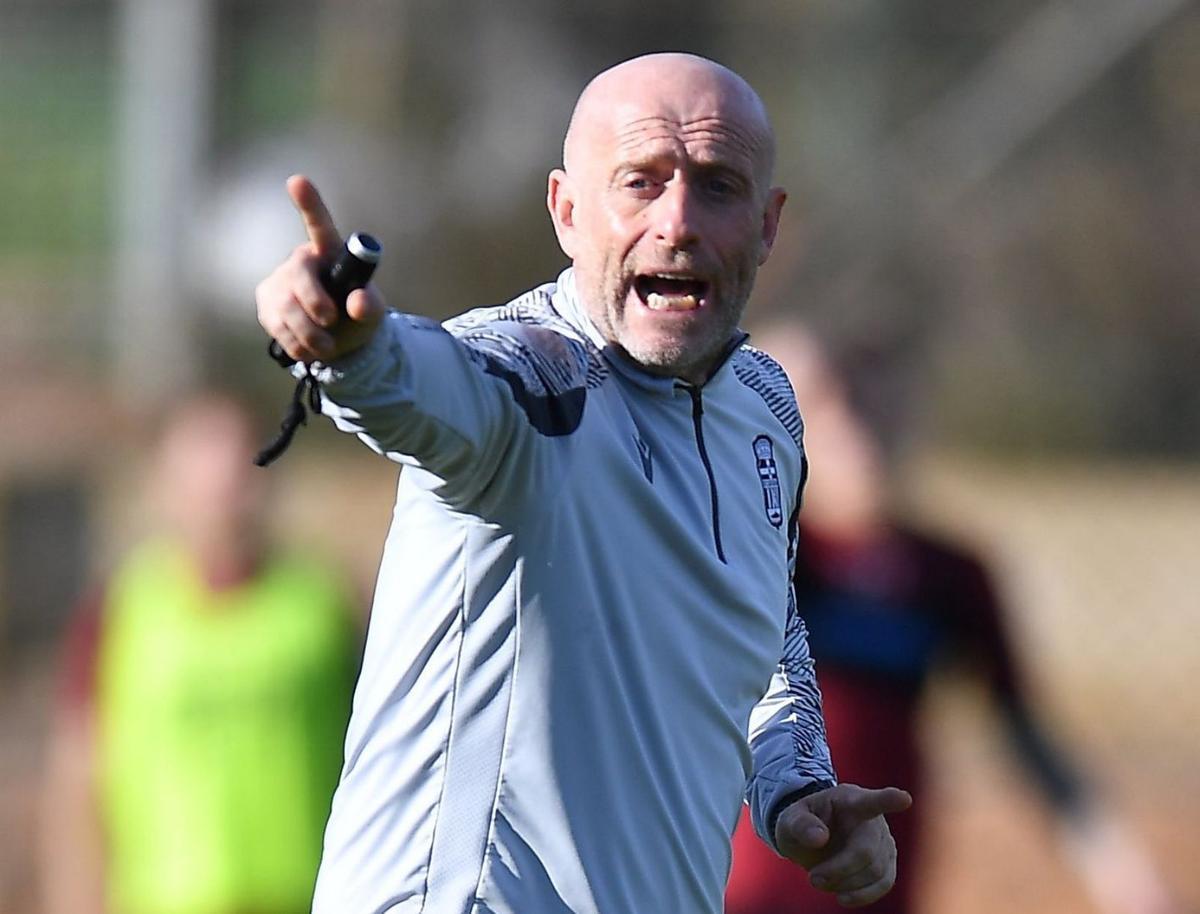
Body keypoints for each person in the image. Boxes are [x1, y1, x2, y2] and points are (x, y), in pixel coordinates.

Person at [254, 52, 911, 914]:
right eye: (641, 182)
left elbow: (765, 625)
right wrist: (343, 346)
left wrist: (796, 786)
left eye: (717, 185)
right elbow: (417, 383)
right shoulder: (527, 377)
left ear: (767, 224)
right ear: (567, 211)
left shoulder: (767, 409)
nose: (678, 220)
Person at [724, 324, 1179, 914]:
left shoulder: (947, 573)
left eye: (873, 401)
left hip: (873, 888)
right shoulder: (759, 556)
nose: (857, 426)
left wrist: (1114, 862)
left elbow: (1023, 732)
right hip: (743, 893)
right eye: (831, 403)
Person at [39, 392, 360, 914]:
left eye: (238, 472)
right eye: (203, 475)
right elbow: (77, 787)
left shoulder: (323, 604)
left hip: (307, 898)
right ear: (165, 486)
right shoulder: (120, 611)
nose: (223, 493)